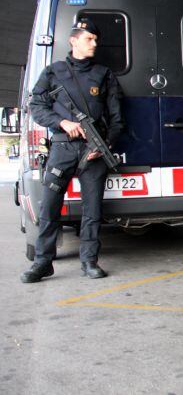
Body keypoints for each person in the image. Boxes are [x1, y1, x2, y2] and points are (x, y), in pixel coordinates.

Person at [21, 18, 124, 283]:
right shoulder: (53, 72)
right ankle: (43, 262)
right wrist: (62, 122)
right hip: (62, 149)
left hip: (94, 151)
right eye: (89, 38)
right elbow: (37, 107)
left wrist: (105, 145)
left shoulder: (103, 74)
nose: (94, 43)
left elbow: (116, 119)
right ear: (73, 40)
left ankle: (89, 261)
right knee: (49, 209)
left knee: (93, 211)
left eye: (96, 39)